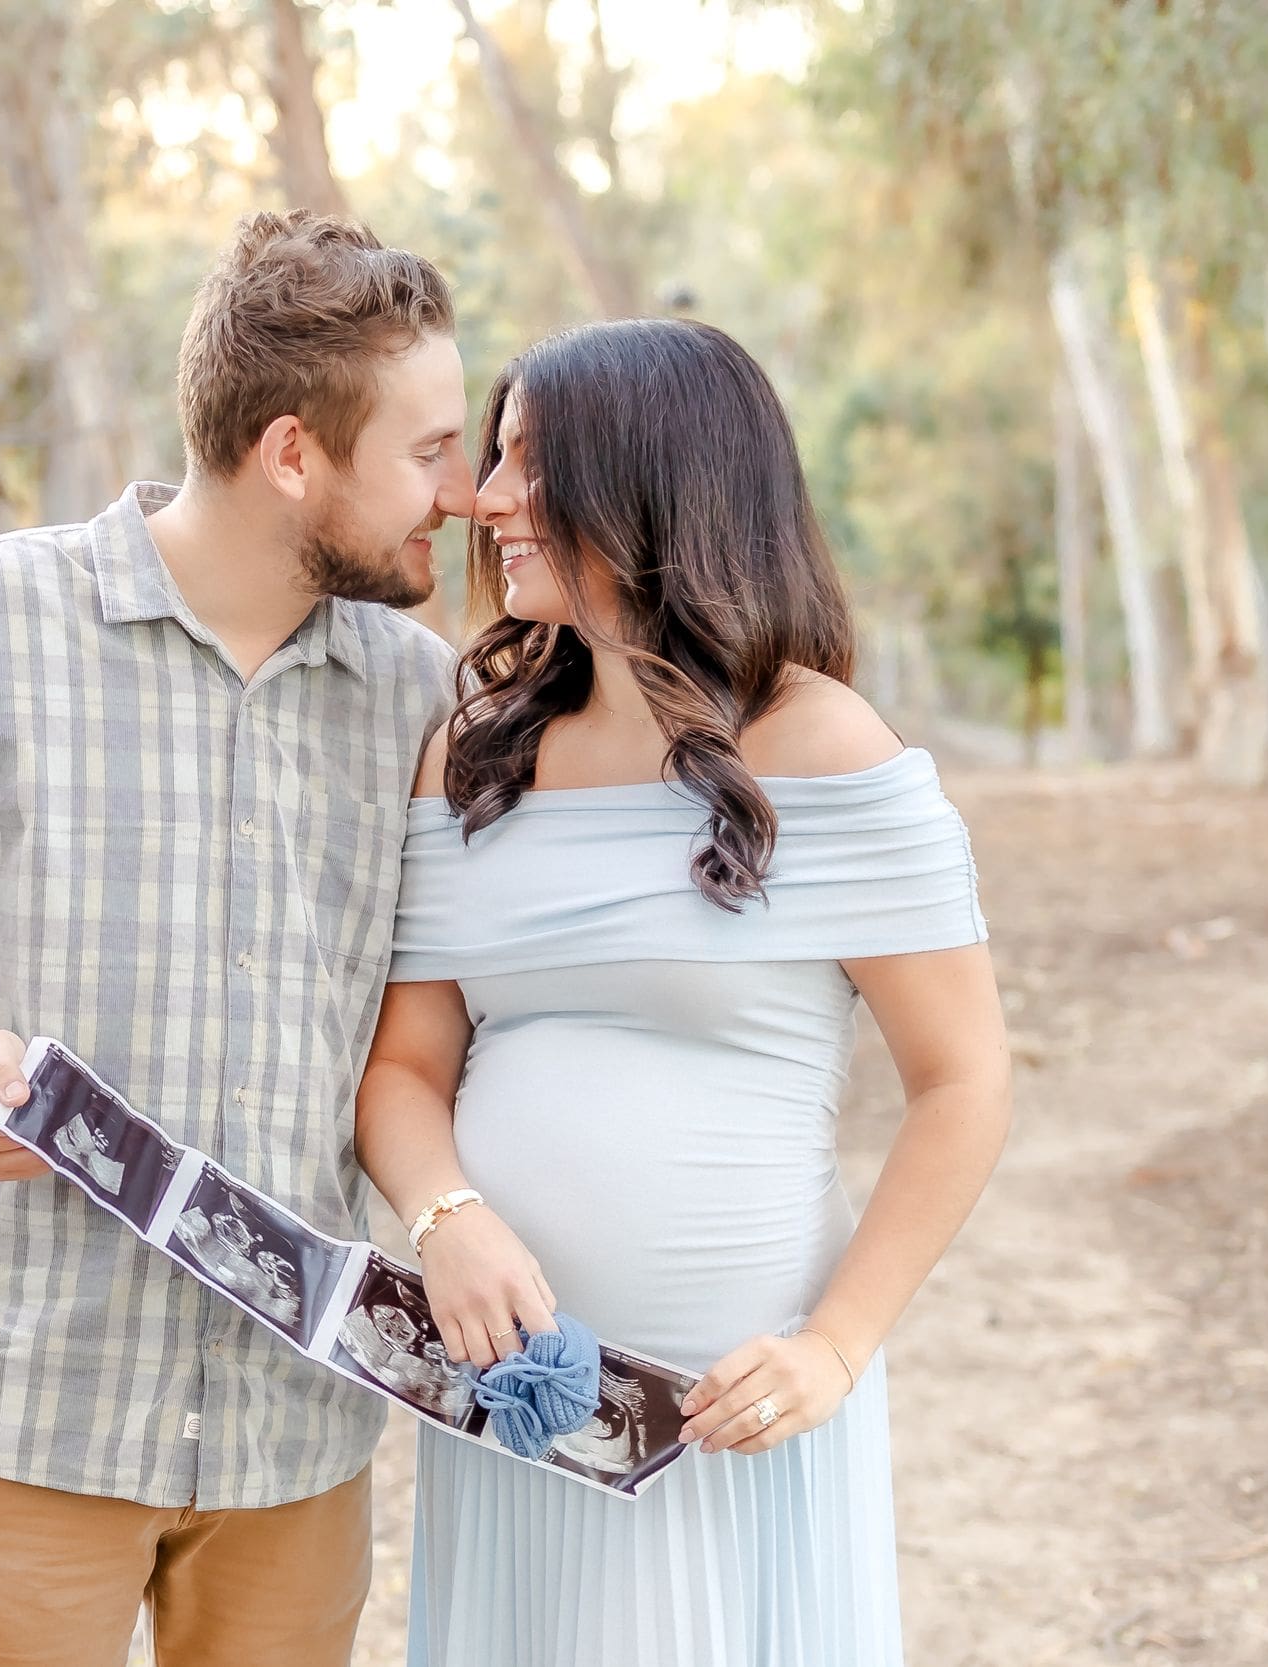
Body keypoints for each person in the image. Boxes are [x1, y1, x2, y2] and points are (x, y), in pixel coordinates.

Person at [0, 210, 472, 1667]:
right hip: (23, 1397)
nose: (461, 492)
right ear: (292, 452)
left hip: (292, 1425)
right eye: (429, 453)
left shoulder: (416, 692)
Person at [355, 317, 1014, 1666]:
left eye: (531, 462)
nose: (487, 499)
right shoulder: (472, 756)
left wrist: (833, 1349)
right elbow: (404, 1070)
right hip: (518, 1401)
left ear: (655, 482)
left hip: (732, 1403)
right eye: (493, 455)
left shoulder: (825, 749)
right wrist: (447, 1216)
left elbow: (963, 1084)